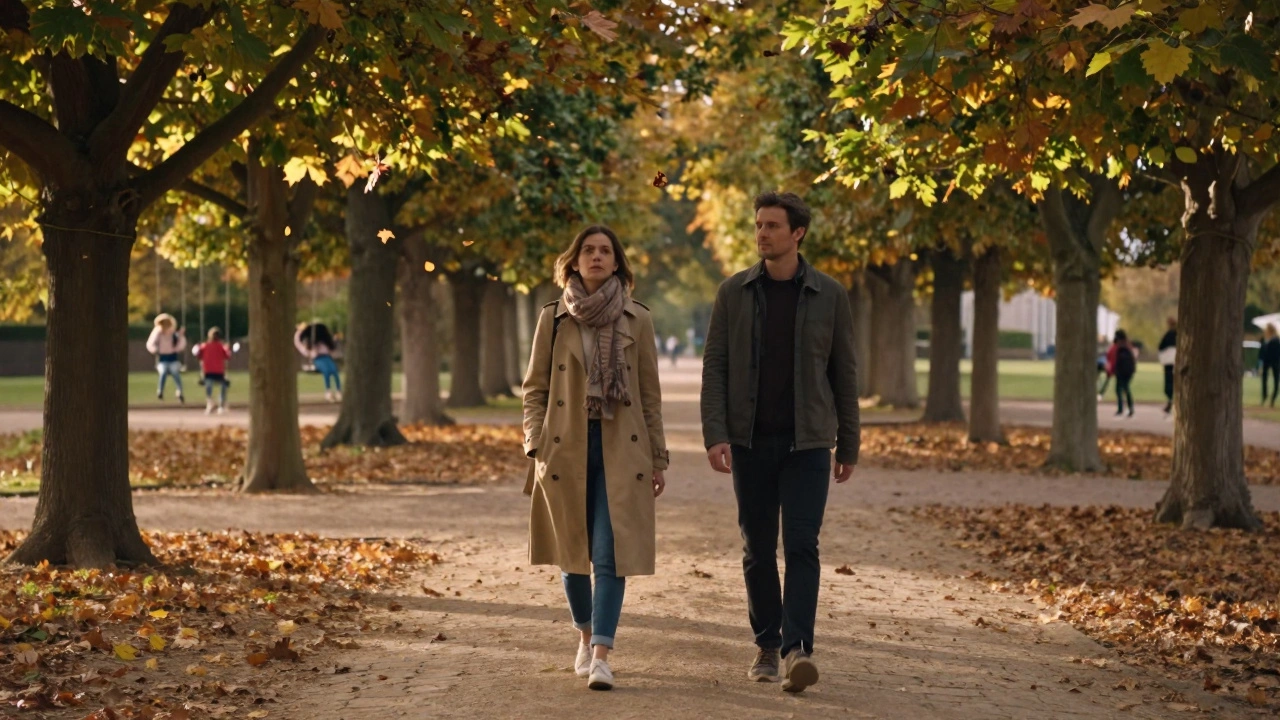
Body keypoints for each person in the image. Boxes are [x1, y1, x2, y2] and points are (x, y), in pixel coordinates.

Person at [700, 191, 860, 694]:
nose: (762, 233)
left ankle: (797, 650)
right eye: (758, 225)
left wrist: (849, 444)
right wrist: (715, 433)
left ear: (798, 234)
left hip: (809, 444)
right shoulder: (733, 292)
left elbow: (845, 374)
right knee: (757, 546)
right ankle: (767, 644)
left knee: (803, 545)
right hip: (750, 442)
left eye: (772, 225)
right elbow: (716, 367)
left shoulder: (830, 295)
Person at [521, 225, 668, 692]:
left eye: (606, 251)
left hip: (621, 448)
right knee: (572, 555)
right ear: (575, 260)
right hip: (565, 447)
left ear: (617, 262)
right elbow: (535, 389)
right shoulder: (554, 318)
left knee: (611, 554)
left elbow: (649, 397)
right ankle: (583, 636)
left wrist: (658, 458)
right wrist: (534, 443)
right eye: (589, 250)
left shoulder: (637, 319)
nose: (597, 257)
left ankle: (602, 653)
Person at [192, 327, 236, 414]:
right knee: (219, 386)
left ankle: (215, 403)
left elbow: (198, 355)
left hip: (212, 371)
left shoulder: (206, 346)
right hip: (216, 371)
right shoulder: (218, 346)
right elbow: (227, 356)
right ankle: (217, 404)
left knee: (212, 386)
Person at [294, 322, 342, 402]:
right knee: (327, 372)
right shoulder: (309, 349)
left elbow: (331, 346)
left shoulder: (324, 344)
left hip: (327, 357)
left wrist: (335, 340)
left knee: (334, 371)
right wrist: (298, 332)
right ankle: (328, 391)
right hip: (318, 359)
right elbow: (298, 343)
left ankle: (338, 391)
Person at [146, 313, 186, 404]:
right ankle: (160, 391)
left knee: (175, 372)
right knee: (163, 372)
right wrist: (155, 350)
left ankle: (179, 391)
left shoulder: (174, 333)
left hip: (173, 358)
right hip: (162, 358)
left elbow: (181, 343)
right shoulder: (157, 332)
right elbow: (150, 343)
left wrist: (178, 346)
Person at [1107, 329, 1138, 417]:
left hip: (1121, 371)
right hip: (1129, 371)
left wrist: (1111, 371)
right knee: (1126, 388)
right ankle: (1129, 408)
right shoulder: (1128, 345)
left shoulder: (1118, 347)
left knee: (1119, 389)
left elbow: (1114, 360)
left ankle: (1121, 409)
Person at [1158, 317, 1177, 415]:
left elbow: (1161, 346)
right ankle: (1171, 403)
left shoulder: (1169, 334)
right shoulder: (1178, 334)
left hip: (1169, 361)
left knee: (1169, 382)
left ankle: (1170, 403)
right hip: (1176, 361)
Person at [1261, 323, 1280, 408]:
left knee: (1276, 380)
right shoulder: (1267, 340)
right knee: (1266, 379)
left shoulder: (1275, 340)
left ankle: (1271, 398)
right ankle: (1265, 396)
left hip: (1274, 362)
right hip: (1269, 362)